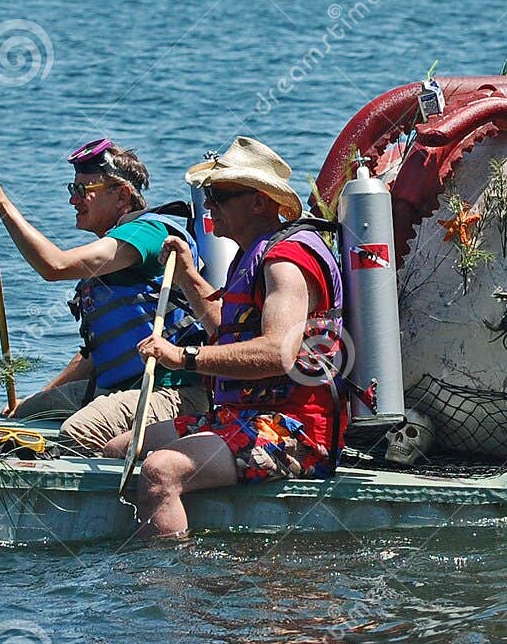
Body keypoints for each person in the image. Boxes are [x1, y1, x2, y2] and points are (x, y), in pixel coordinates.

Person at [104, 137, 346, 539]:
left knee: (160, 470)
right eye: (208, 195)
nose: (209, 205)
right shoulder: (253, 253)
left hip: (294, 429)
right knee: (120, 449)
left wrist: (184, 357)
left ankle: (164, 586)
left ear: (259, 202)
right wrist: (185, 274)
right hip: (241, 417)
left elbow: (276, 353)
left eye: (220, 195)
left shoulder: (286, 262)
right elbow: (228, 329)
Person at [0, 139, 207, 454]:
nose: (73, 201)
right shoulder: (113, 252)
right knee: (27, 417)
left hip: (170, 392)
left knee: (79, 431)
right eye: (72, 189)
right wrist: (35, 400)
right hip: (115, 388)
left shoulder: (147, 233)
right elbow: (96, 355)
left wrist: (1, 202)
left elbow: (55, 266)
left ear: (121, 194)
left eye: (83, 191)